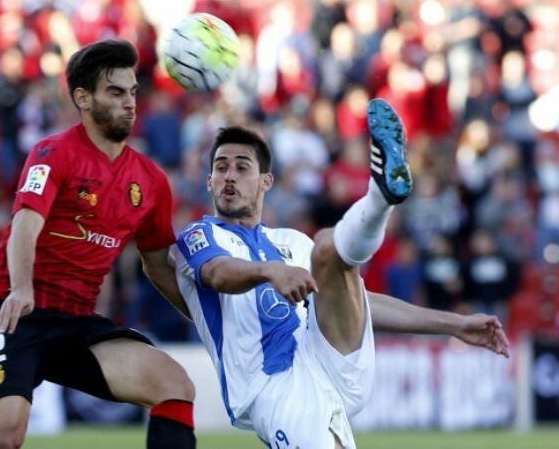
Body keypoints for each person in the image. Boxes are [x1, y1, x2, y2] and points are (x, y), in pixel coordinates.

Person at [174, 100, 509, 449]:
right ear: (209, 181)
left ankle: (379, 198)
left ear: (265, 181)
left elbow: (362, 304)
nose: (229, 175)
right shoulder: (199, 237)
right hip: (270, 386)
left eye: (242, 167)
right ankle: (377, 201)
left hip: (332, 358)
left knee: (325, 247)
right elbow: (218, 273)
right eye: (221, 168)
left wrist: (455, 324)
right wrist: (270, 271)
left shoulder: (288, 241)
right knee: (325, 247)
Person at [0, 40, 196, 449]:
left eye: (132, 92)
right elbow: (26, 223)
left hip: (76, 322)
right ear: (83, 97)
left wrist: (200, 318)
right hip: (13, 313)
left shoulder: (150, 180)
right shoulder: (53, 153)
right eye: (115, 92)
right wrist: (22, 288)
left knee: (175, 384)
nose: (129, 103)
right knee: (2, 435)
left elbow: (158, 264)